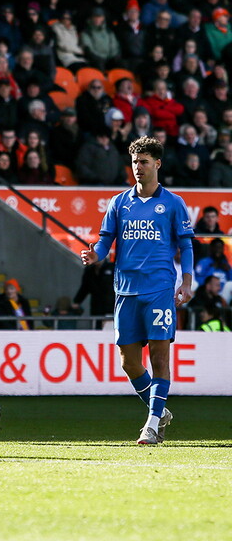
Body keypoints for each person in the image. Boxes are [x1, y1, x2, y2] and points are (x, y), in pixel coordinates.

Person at [80, 136, 194, 445]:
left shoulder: (172, 203)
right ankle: (159, 411)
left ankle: (152, 424)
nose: (138, 168)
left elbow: (185, 244)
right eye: (134, 162)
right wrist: (96, 255)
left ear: (157, 164)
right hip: (125, 291)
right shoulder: (119, 202)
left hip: (158, 290)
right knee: (128, 363)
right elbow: (105, 240)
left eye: (143, 162)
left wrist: (186, 280)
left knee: (159, 358)